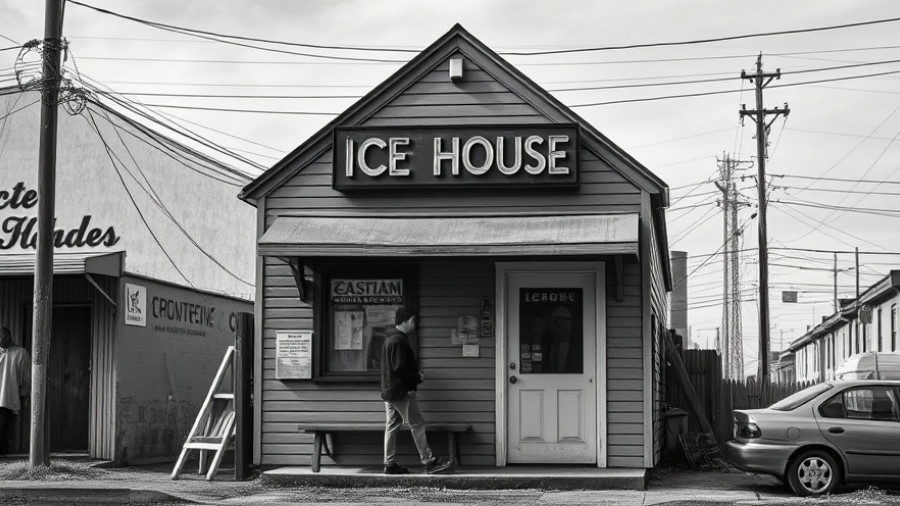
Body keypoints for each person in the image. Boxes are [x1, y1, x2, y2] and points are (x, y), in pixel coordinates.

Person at [380, 308, 454, 475]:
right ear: (404, 321)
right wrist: (415, 379)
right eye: (413, 321)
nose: (414, 325)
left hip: (390, 391)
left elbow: (392, 368)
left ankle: (389, 464)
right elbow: (399, 368)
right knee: (417, 423)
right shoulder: (399, 340)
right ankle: (429, 462)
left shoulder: (389, 339)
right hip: (400, 392)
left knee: (392, 426)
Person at [0, 327, 30, 455]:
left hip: (7, 396)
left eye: (1, 337)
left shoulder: (20, 353)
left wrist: (24, 394)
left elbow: (26, 376)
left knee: (3, 426)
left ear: (9, 337)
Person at [541, 306, 582, 373]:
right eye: (557, 324)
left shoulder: (578, 347)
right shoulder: (550, 344)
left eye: (564, 323)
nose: (560, 329)